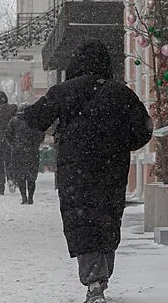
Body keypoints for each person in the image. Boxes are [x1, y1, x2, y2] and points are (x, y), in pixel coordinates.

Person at [21, 40, 152, 303]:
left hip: (75, 170)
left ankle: (94, 281)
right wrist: (120, 142)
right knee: (107, 218)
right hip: (111, 169)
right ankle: (101, 277)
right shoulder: (121, 94)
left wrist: (58, 129)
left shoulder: (63, 92)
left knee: (83, 222)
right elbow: (143, 130)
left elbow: (33, 118)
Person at [6, 104, 45, 204]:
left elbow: (8, 135)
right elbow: (41, 134)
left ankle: (24, 197)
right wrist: (35, 145)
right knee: (31, 176)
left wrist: (14, 145)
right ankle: (31, 197)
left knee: (20, 175)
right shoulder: (36, 121)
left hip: (18, 152)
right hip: (32, 152)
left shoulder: (13, 121)